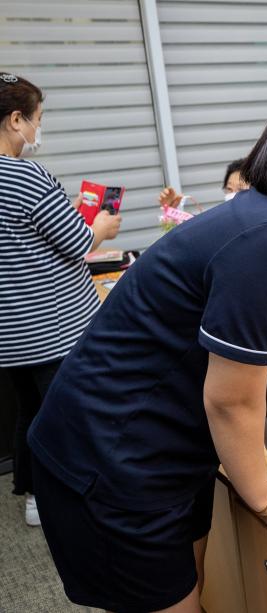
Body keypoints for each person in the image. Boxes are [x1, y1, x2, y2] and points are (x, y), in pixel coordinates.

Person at [27, 69, 267, 612]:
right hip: (114, 457)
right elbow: (230, 396)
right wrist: (263, 491)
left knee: (194, 592)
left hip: (171, 449)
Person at [0, 73, 121, 527]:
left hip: (10, 337)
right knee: (71, 417)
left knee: (29, 414)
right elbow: (76, 242)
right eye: (36, 120)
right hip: (53, 330)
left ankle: (34, 497)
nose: (36, 131)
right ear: (16, 119)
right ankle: (73, 502)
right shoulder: (27, 175)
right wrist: (102, 228)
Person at [158, 158, 251, 208]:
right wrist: (170, 210)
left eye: (241, 189)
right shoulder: (218, 222)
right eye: (229, 189)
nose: (233, 195)